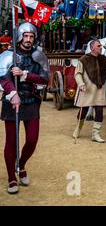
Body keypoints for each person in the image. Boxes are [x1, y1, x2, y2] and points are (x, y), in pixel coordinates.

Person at [0, 23, 49, 194]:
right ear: (20, 37)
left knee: (32, 140)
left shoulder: (39, 56)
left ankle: (20, 165)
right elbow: (2, 78)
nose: (28, 40)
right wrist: (12, 93)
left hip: (31, 100)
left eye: (31, 36)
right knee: (11, 141)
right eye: (26, 36)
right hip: (11, 102)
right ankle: (11, 178)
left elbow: (44, 79)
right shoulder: (8, 55)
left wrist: (25, 75)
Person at [72, 39, 106, 143]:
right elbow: (78, 73)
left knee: (100, 112)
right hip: (87, 89)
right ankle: (78, 129)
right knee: (83, 111)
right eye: (98, 46)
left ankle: (95, 134)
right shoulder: (83, 59)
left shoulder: (105, 59)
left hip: (99, 91)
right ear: (92, 48)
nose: (101, 47)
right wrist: (81, 84)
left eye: (101, 46)